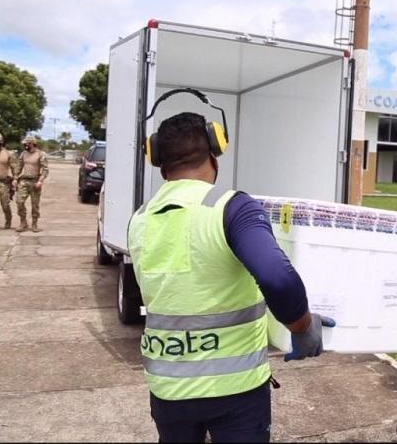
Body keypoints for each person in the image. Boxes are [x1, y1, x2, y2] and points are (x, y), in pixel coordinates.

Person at [127, 111, 334, 443]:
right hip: (235, 392)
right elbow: (277, 278)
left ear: (159, 162)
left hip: (167, 389)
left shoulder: (139, 219)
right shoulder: (231, 208)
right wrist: (303, 327)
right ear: (215, 151)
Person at [15, 135, 49, 233]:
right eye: (25, 144)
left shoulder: (40, 154)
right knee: (19, 201)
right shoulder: (23, 154)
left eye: (27, 143)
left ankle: (34, 223)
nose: (25, 145)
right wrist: (15, 177)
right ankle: (23, 222)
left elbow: (45, 169)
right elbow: (19, 166)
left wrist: (40, 181)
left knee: (35, 205)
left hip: (35, 181)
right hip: (24, 181)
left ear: (32, 143)